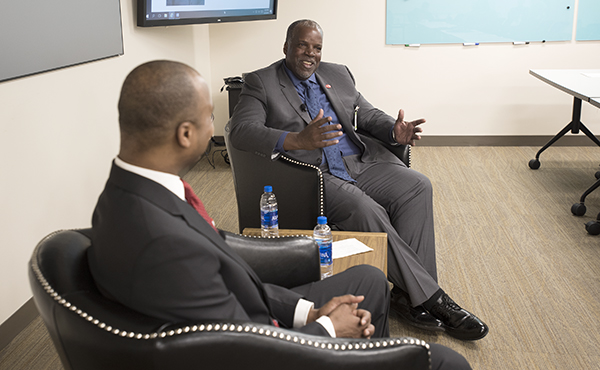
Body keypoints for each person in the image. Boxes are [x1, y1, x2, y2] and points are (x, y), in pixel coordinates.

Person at [87, 60, 471, 369]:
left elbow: (229, 270)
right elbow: (243, 348)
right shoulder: (162, 241)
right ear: (185, 134)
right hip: (272, 347)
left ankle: (404, 307)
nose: (214, 129)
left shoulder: (136, 194)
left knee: (370, 277)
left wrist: (310, 310)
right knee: (448, 363)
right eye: (208, 118)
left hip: (267, 311)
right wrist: (325, 327)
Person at [229, 19, 488, 341]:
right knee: (366, 210)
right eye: (302, 46)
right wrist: (297, 140)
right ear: (286, 47)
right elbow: (240, 130)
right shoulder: (261, 82)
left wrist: (393, 130)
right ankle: (435, 300)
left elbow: (365, 113)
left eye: (317, 48)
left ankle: (407, 296)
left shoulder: (339, 73)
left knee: (417, 185)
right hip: (314, 174)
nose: (310, 54)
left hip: (361, 161)